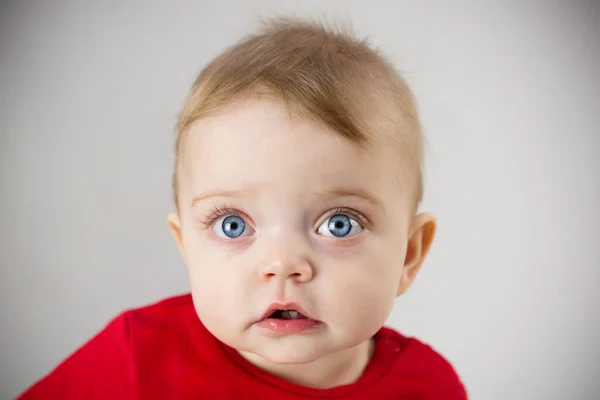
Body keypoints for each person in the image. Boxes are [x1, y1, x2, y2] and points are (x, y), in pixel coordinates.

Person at [18, 17, 467, 399]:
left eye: (339, 224)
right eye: (233, 225)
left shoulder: (430, 386)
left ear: (409, 255)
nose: (283, 265)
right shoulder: (136, 359)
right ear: (185, 246)